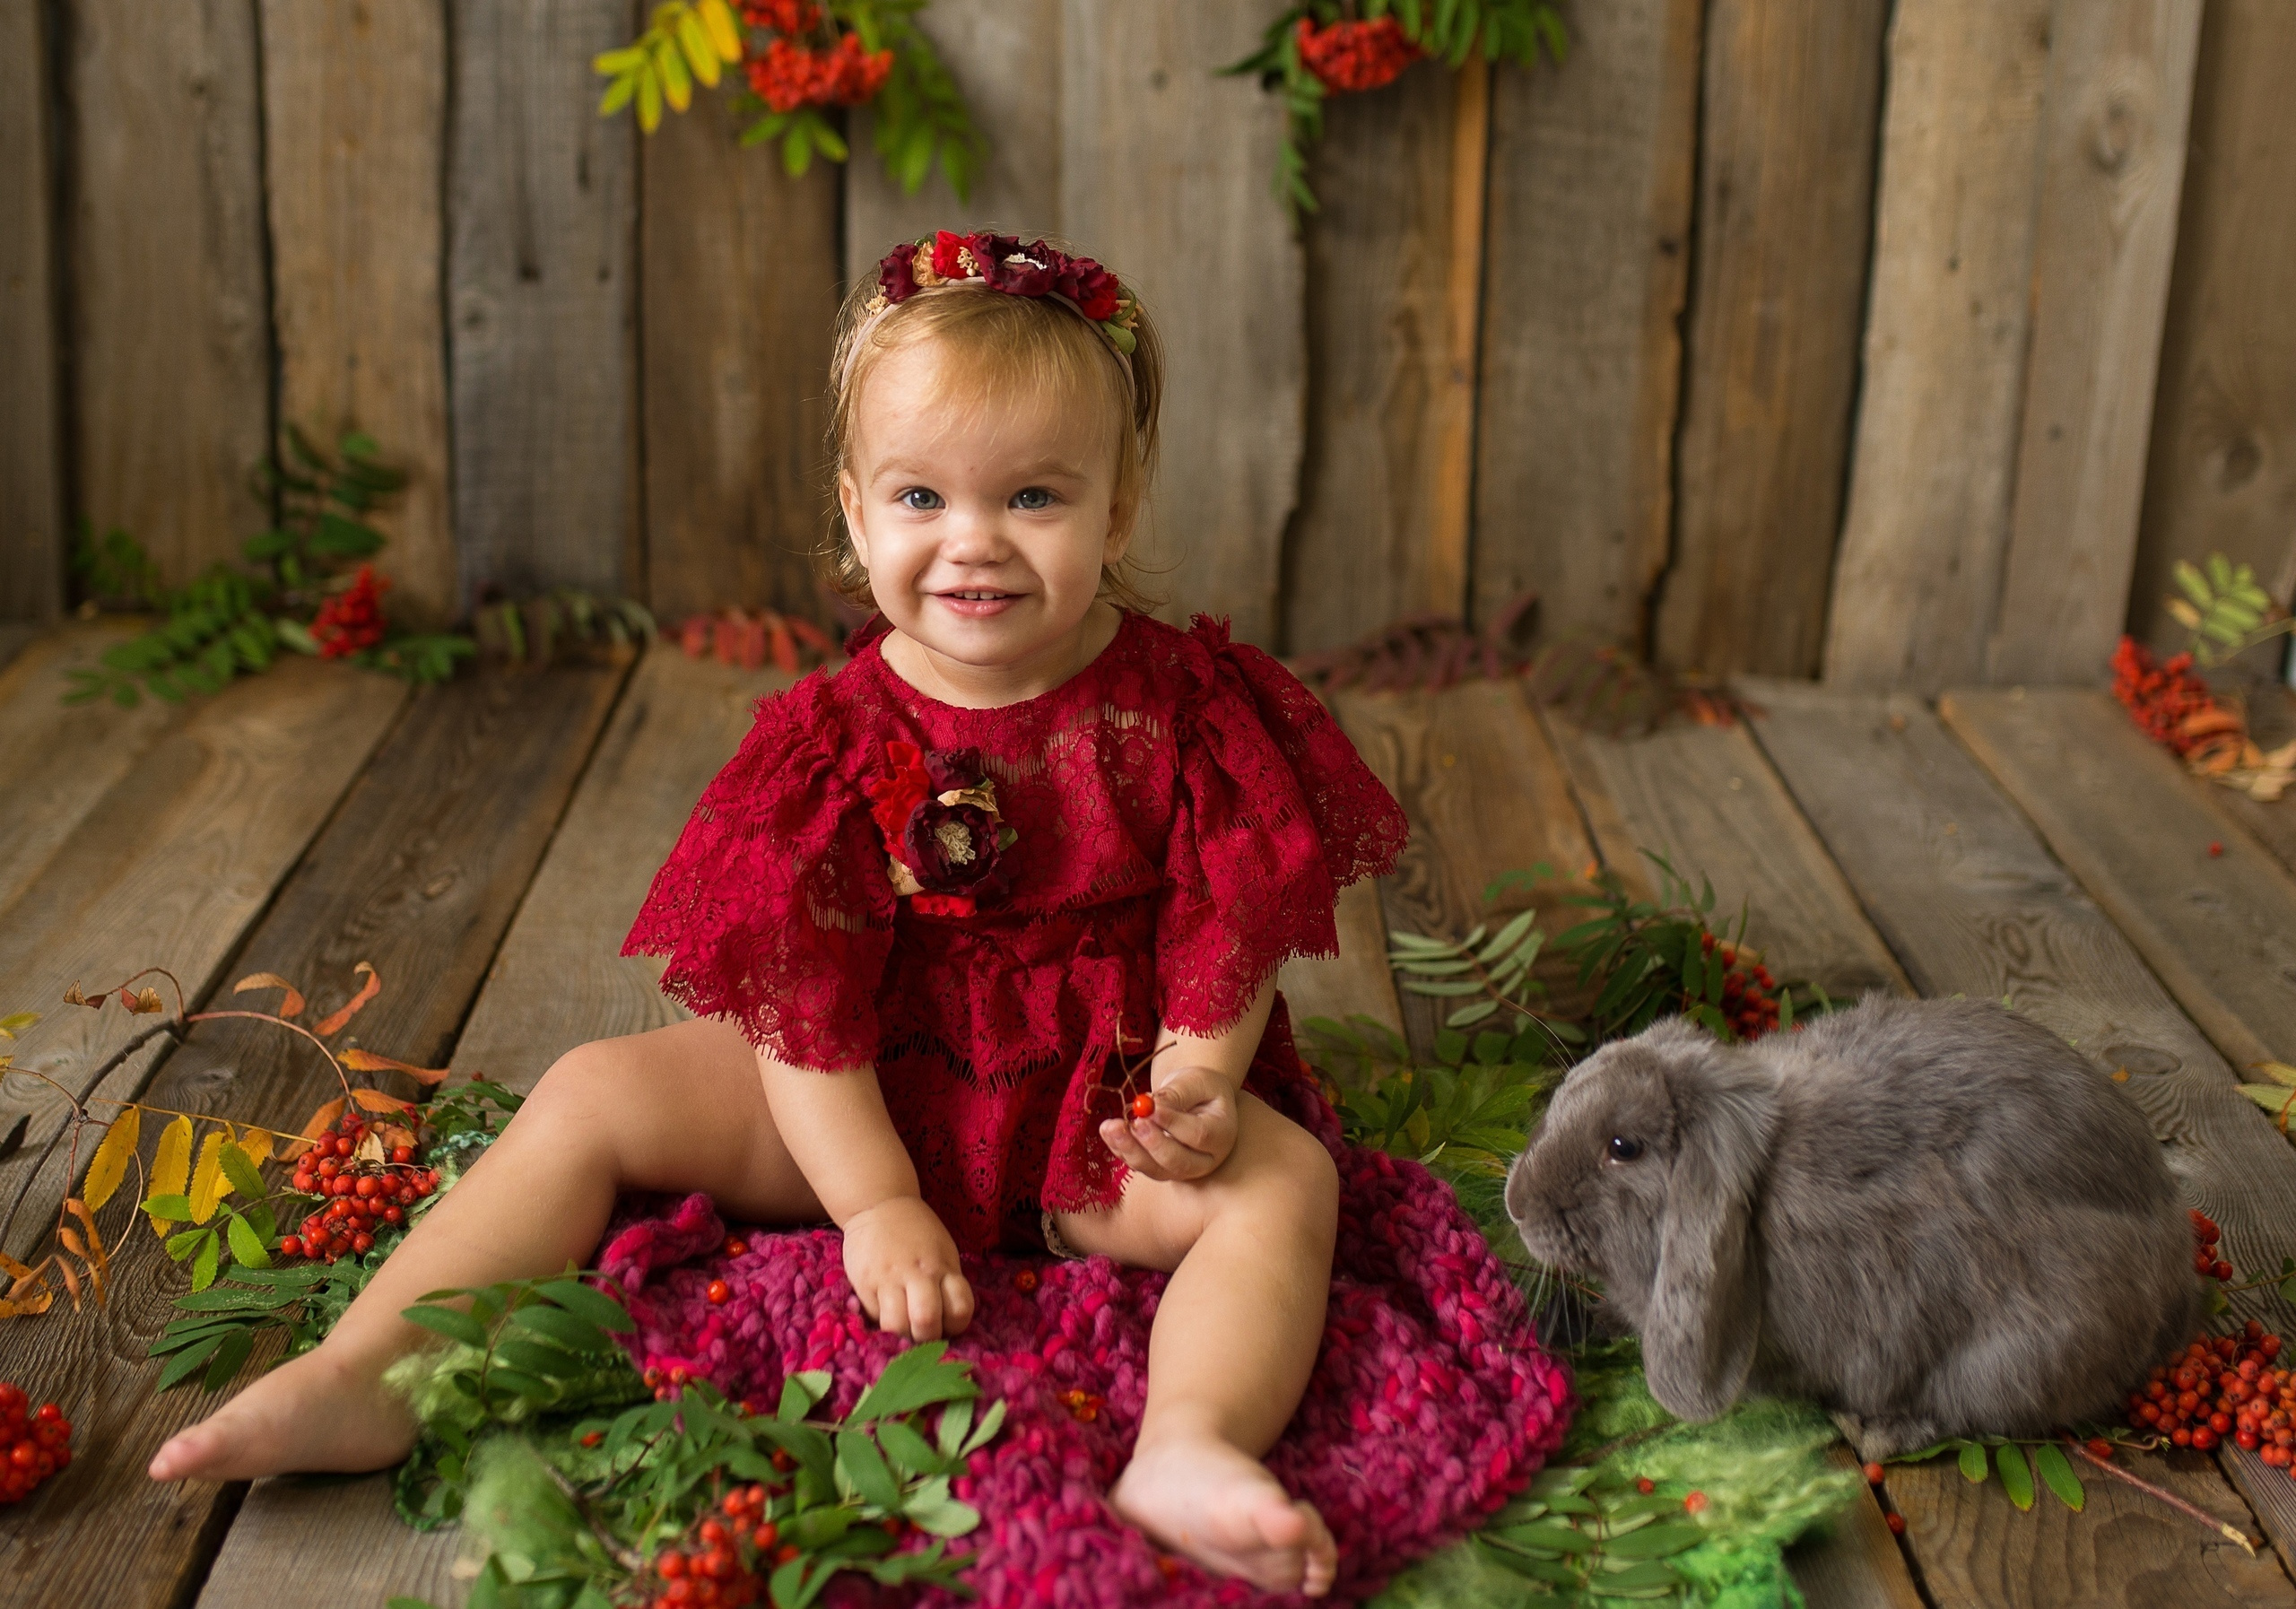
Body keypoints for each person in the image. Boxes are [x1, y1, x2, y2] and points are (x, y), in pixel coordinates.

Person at [150, 230, 1407, 1596]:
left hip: (1097, 1113)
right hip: (866, 1092)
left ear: (1116, 511)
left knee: (1284, 1183)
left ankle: (1192, 1441)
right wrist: (870, 1202)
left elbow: (1226, 927)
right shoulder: (827, 737)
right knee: (588, 1093)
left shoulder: (1184, 708)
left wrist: (1197, 1089)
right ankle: (369, 1369)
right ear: (858, 513)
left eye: (1034, 496)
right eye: (922, 495)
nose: (971, 541)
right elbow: (804, 1006)